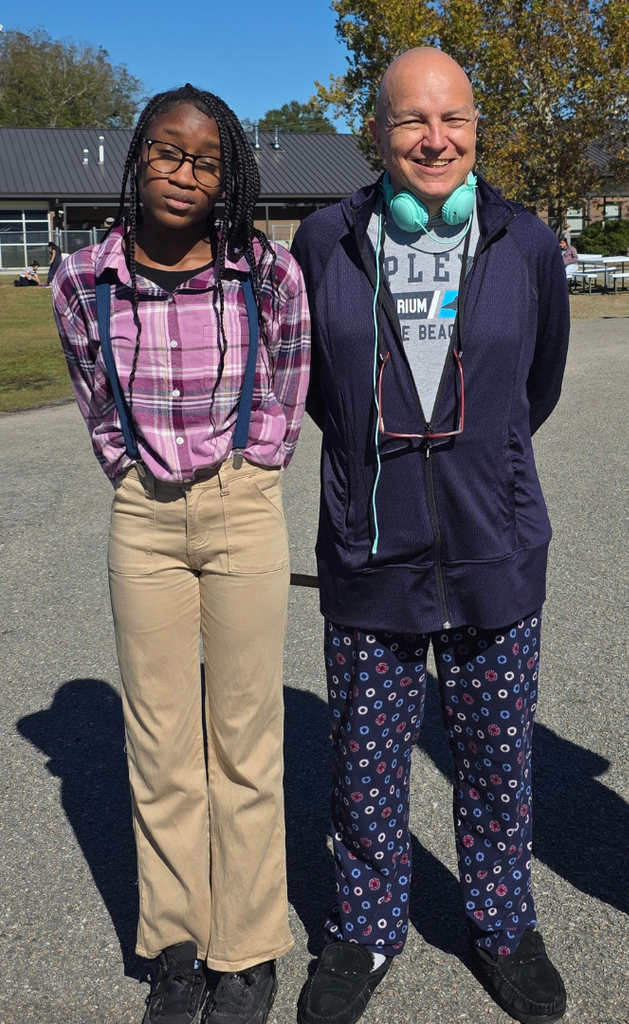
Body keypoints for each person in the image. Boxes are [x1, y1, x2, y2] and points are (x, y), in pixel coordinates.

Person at [290, 46, 570, 1024]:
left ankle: (501, 924)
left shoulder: (525, 242)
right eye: (412, 119)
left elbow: (535, 389)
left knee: (496, 757)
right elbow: (321, 390)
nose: (434, 137)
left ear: (477, 129)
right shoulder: (326, 239)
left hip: (492, 545)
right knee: (363, 761)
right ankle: (365, 929)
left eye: (452, 119)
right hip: (373, 547)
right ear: (379, 132)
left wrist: (479, 468)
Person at [51, 84, 310, 1024]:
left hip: (242, 507)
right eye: (168, 153)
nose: (184, 174)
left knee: (244, 738)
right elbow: (90, 387)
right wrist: (128, 466)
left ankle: (246, 950)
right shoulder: (84, 278)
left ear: (227, 174)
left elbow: (290, 370)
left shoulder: (262, 271)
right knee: (160, 742)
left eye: (206, 161)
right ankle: (176, 946)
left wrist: (260, 461)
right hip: (144, 518)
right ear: (138, 157)